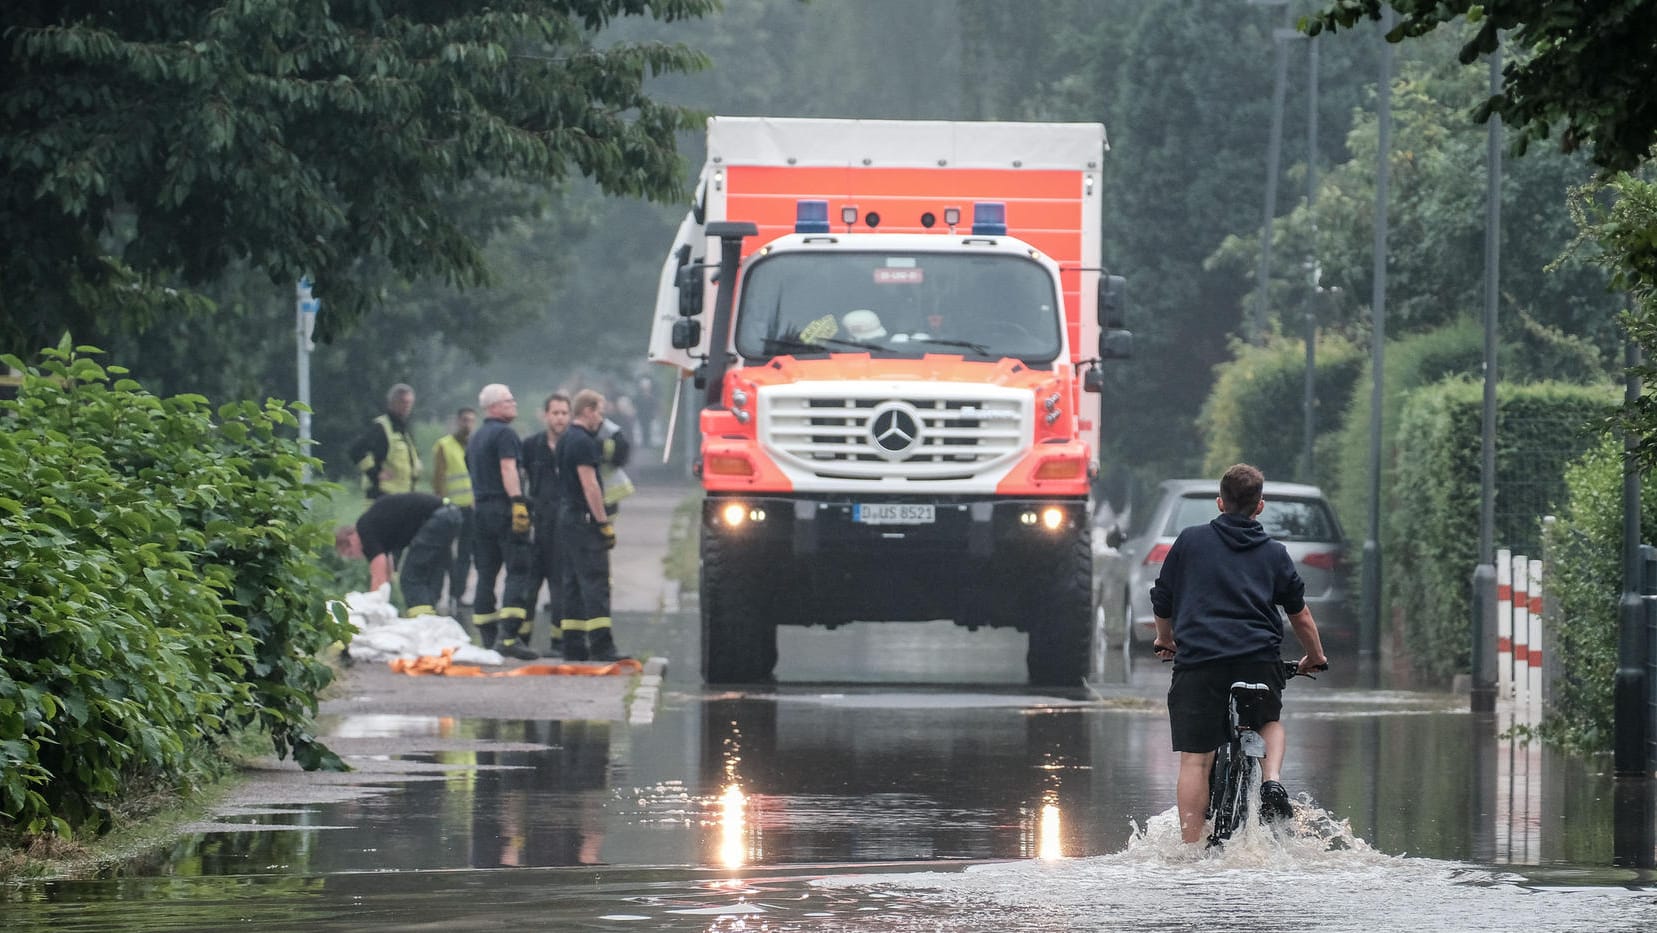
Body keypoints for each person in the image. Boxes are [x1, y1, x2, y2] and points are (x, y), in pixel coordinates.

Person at [1149, 463, 1328, 846]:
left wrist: (1166, 638)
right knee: (1268, 721)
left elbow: (1162, 598)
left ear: (1219, 503)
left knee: (1196, 759)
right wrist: (1314, 656)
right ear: (1259, 507)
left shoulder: (1190, 542)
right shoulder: (1275, 553)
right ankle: (1272, 780)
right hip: (1257, 660)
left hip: (1199, 663)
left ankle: (1190, 850)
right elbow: (1300, 614)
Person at [554, 389, 629, 662]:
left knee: (572, 581)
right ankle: (602, 646)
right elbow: (590, 485)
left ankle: (573, 645)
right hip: (585, 521)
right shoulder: (584, 442)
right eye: (599, 411)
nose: (601, 417)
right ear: (587, 410)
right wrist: (602, 522)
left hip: (567, 518)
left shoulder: (564, 440)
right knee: (596, 582)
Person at [465, 383, 538, 660]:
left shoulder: (476, 437)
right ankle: (508, 637)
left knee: (486, 573)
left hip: (480, 511)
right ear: (494, 406)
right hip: (503, 508)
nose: (514, 403)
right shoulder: (505, 434)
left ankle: (487, 636)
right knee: (518, 569)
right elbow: (508, 468)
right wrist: (518, 501)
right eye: (509, 400)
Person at [335, 493, 461, 618]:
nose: (355, 557)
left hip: (438, 518)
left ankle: (423, 623)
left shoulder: (364, 530)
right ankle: (432, 618)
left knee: (410, 579)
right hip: (450, 514)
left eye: (351, 553)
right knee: (429, 574)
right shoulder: (376, 531)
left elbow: (378, 576)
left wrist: (372, 609)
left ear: (351, 539)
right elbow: (386, 571)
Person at [520, 393, 572, 657]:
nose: (560, 418)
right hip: (536, 521)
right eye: (555, 413)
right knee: (528, 585)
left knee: (560, 586)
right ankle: (522, 639)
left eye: (564, 413)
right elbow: (519, 477)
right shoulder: (530, 446)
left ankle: (558, 643)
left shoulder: (575, 445)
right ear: (545, 415)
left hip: (563, 525)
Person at [430, 407, 477, 615]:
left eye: (471, 421)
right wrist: (441, 501)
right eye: (465, 420)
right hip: (451, 506)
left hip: (470, 506)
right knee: (445, 552)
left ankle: (458, 594)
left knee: (466, 553)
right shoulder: (444, 445)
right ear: (458, 421)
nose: (468, 425)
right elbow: (439, 477)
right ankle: (439, 594)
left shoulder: (474, 444)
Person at [348, 383, 421, 499]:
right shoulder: (381, 427)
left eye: (409, 402)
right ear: (392, 403)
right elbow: (356, 450)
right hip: (382, 497)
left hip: (402, 496)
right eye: (403, 402)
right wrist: (375, 474)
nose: (407, 406)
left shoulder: (404, 430)